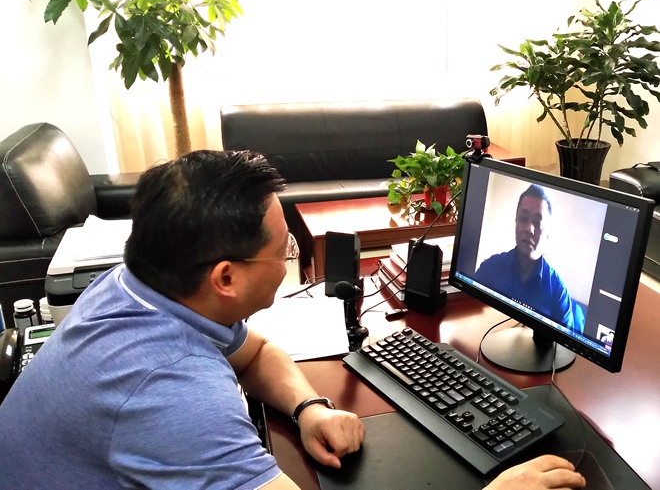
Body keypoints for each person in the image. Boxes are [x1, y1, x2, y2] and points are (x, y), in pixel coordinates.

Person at [0, 151, 585, 490]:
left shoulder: (136, 285)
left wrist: (309, 409)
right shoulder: (174, 396)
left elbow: (255, 354)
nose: (290, 260)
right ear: (225, 278)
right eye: (283, 251)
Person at [474, 184, 584, 334]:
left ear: (548, 233)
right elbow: (467, 309)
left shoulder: (557, 291)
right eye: (524, 218)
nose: (529, 229)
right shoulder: (490, 267)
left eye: (538, 223)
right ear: (516, 222)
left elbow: (566, 343)